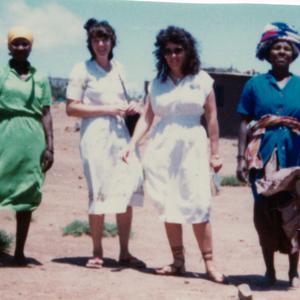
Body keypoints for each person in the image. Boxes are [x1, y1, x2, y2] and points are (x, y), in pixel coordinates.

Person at [123, 26, 225, 283]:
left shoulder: (202, 80)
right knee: (169, 203)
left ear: (187, 51)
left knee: (198, 203)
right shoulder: (157, 83)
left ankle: (209, 263)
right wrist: (131, 144)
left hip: (192, 145)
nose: (173, 55)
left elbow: (212, 117)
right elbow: (147, 117)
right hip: (162, 148)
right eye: (167, 51)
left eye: (178, 50)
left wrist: (215, 153)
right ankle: (178, 261)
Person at [66, 19, 145, 269]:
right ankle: (97, 251)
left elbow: (132, 100)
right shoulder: (82, 69)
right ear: (90, 43)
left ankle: (124, 252)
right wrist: (106, 109)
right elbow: (71, 108)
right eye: (96, 40)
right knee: (98, 190)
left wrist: (134, 106)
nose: (101, 44)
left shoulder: (119, 68)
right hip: (96, 136)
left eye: (105, 39)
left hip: (121, 135)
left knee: (126, 188)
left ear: (113, 42)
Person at [236, 22, 300, 288]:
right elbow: (244, 121)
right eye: (277, 47)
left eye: (287, 48)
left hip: (296, 156)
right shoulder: (255, 84)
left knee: (295, 213)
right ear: (268, 52)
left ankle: (293, 273)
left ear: (294, 53)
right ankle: (269, 271)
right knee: (264, 212)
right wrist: (240, 158)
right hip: (262, 158)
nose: (282, 52)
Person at [0, 26, 54, 266]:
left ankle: (19, 252)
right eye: (16, 44)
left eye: (25, 44)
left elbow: (46, 112)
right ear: (9, 47)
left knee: (28, 191)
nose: (21, 48)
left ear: (31, 47)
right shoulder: (1, 73)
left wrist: (50, 146)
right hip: (5, 133)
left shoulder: (40, 77)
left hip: (33, 139)